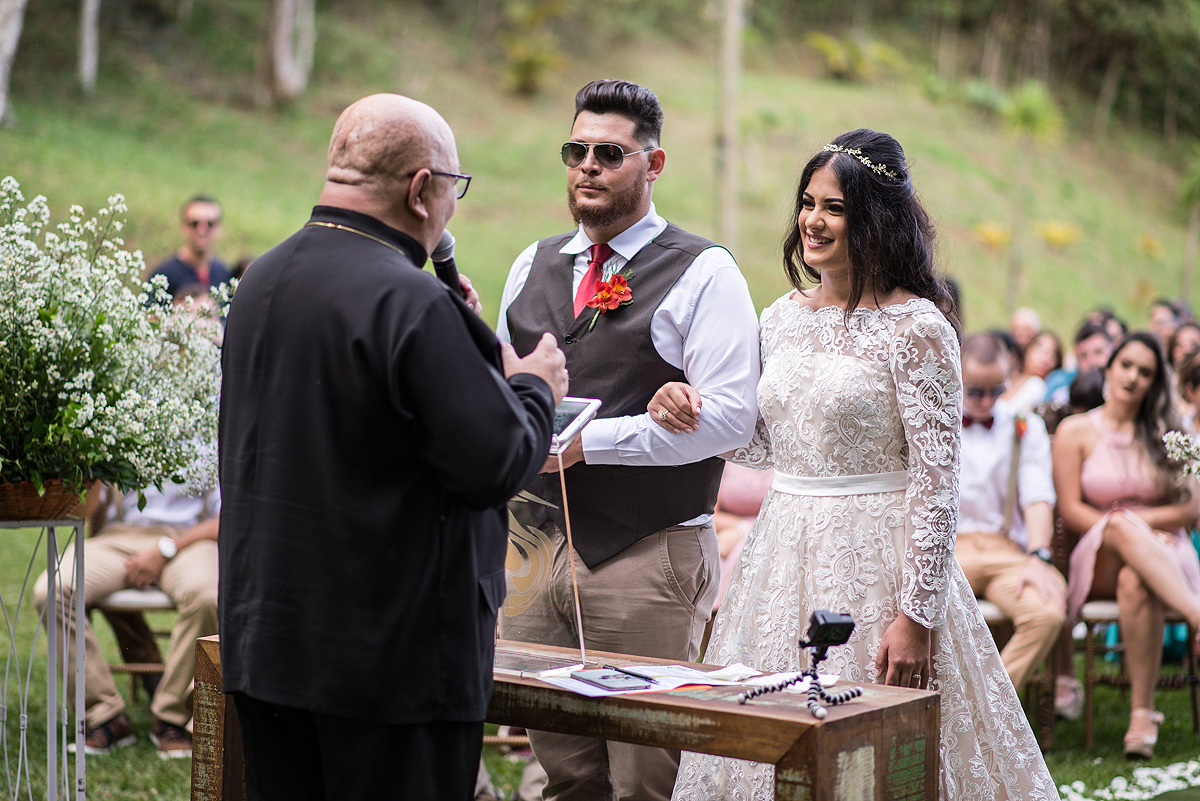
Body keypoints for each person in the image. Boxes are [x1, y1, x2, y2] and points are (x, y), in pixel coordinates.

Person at [657, 129, 1056, 799]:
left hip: (879, 561)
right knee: (770, 744)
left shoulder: (919, 328)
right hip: (782, 555)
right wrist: (695, 412)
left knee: (877, 753)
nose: (812, 220)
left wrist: (918, 616)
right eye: (807, 202)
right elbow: (765, 445)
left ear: (875, 218)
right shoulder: (779, 318)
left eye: (834, 207)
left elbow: (937, 485)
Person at [218, 93, 567, 801]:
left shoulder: (262, 279)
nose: (450, 210)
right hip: (388, 666)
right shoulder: (410, 302)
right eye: (454, 189)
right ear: (420, 188)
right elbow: (493, 463)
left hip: (270, 643)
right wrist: (534, 388)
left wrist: (460, 341)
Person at [495, 79, 760, 801]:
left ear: (654, 163)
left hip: (647, 554)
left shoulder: (704, 271)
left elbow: (731, 418)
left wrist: (593, 442)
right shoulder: (531, 263)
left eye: (608, 153)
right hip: (533, 544)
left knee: (646, 773)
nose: (587, 165)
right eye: (575, 150)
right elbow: (500, 388)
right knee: (563, 769)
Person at [1054, 332, 1200, 758]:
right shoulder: (1075, 430)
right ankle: (1196, 615)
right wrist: (1125, 526)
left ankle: (1142, 715)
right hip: (1097, 551)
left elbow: (1190, 511)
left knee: (1136, 580)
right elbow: (1070, 508)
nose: (1134, 377)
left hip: (1164, 552)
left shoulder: (1166, 434)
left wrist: (1138, 525)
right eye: (1127, 365)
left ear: (1156, 383)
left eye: (1146, 372)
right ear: (1110, 367)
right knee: (1117, 527)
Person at [34, 480, 219, 759]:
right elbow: (83, 511)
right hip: (117, 538)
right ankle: (104, 715)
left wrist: (166, 549)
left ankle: (172, 717)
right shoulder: (116, 438)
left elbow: (228, 518)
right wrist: (94, 462)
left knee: (207, 596)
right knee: (54, 590)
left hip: (190, 540)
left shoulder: (214, 439)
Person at [954, 333, 1064, 692]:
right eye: (975, 391)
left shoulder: (1024, 427)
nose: (986, 401)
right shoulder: (937, 422)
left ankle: (989, 707)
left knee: (1047, 614)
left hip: (1005, 553)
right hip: (949, 553)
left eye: (996, 390)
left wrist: (1038, 554)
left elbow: (1037, 496)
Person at [150, 196, 233, 298]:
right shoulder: (164, 276)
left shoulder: (224, 274)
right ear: (183, 227)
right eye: (195, 223)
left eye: (210, 224)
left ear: (219, 229)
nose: (202, 230)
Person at [1045, 321, 1112, 405]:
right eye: (1083, 356)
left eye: (1098, 352)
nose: (1092, 361)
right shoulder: (1060, 385)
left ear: (1112, 351)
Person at [1003, 328, 1060, 413]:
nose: (1046, 359)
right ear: (1028, 349)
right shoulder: (1007, 376)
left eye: (1053, 355)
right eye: (1042, 351)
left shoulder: (1038, 386)